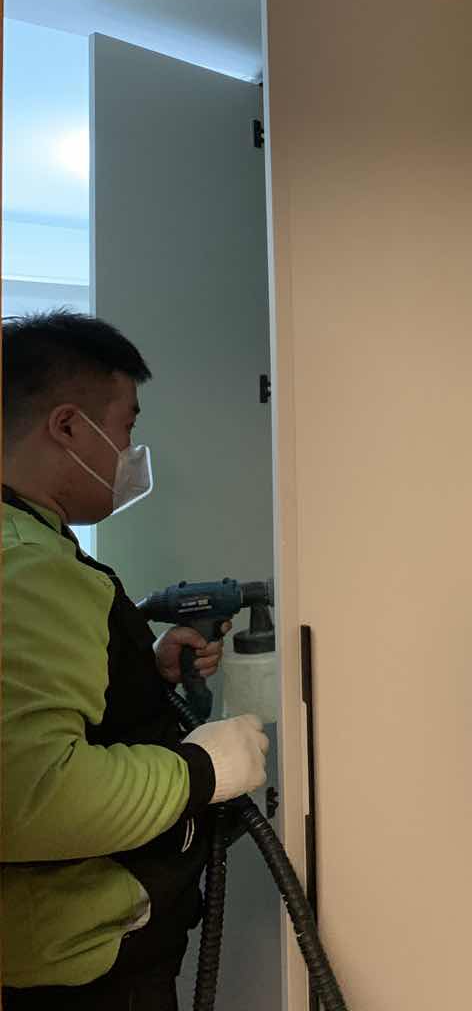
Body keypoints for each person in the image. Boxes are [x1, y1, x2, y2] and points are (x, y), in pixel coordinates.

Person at [1, 311, 269, 1009]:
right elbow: (31, 795)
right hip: (75, 971)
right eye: (126, 428)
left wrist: (138, 675)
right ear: (67, 426)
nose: (130, 452)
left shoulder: (29, 540)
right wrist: (203, 769)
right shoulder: (29, 564)